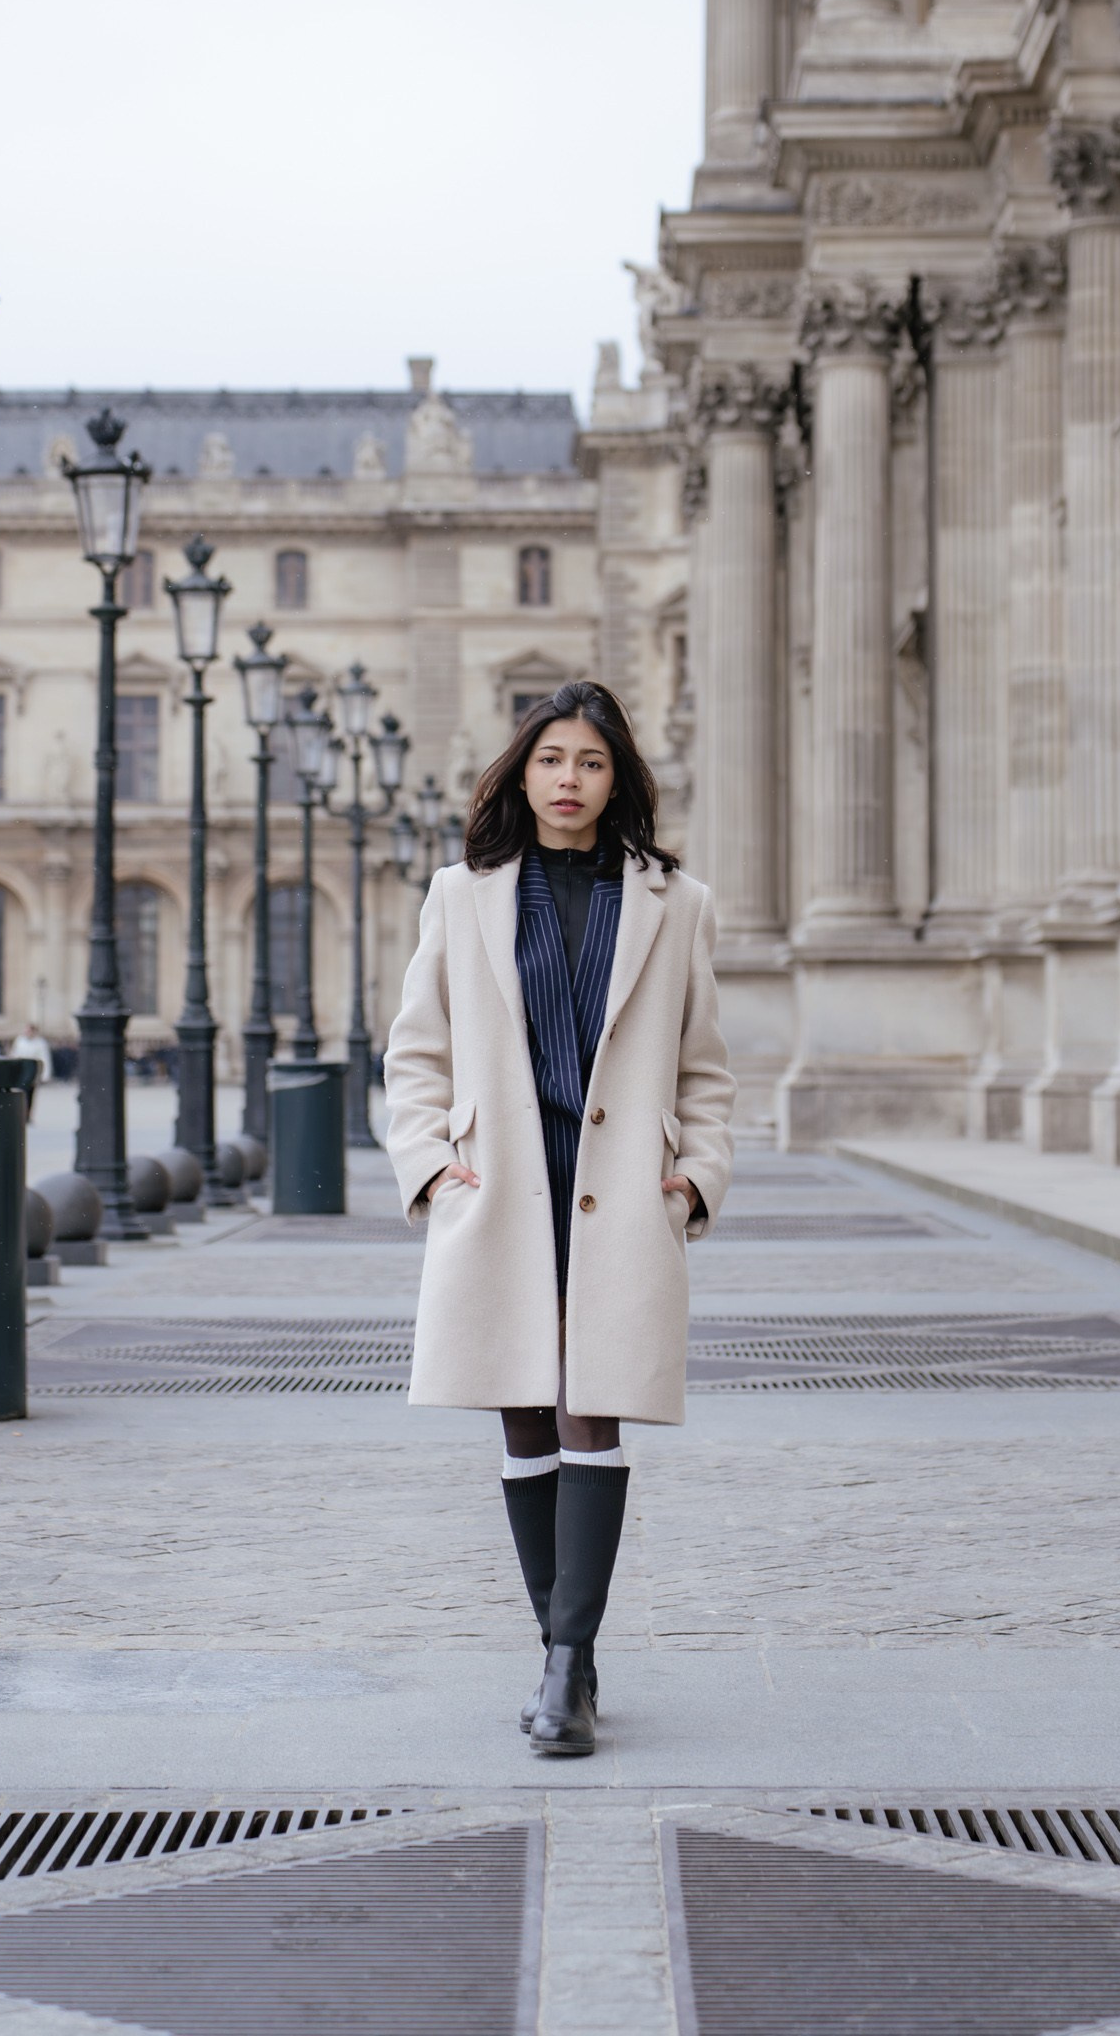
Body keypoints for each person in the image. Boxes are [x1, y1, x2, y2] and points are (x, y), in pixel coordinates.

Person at [383, 679, 734, 1759]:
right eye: (550, 761)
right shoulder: (463, 893)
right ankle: (562, 1649)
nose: (569, 780)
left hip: (621, 1186)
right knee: (522, 1413)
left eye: (589, 762)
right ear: (520, 772)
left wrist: (693, 1180)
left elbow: (703, 1068)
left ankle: (566, 1665)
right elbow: (416, 1054)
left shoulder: (676, 903)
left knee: (594, 1408)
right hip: (502, 1187)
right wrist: (432, 1169)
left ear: (616, 774)